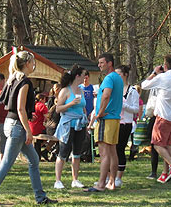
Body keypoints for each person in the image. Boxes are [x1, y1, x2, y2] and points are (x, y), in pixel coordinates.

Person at [0, 50, 56, 207]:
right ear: (27, 63)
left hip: (11, 123)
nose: (34, 65)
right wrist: (28, 129)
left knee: (34, 160)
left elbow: (12, 105)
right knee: (6, 163)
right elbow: (20, 108)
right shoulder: (25, 81)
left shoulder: (12, 79)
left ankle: (40, 197)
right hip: (17, 127)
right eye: (33, 62)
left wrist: (28, 116)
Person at [140, 55, 171, 183]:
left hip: (163, 116)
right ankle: (165, 173)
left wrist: (154, 73)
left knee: (156, 144)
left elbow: (144, 85)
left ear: (165, 66)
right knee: (167, 144)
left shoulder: (161, 77)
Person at [86, 53, 124, 191]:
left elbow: (106, 95)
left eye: (102, 63)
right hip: (115, 119)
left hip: (106, 119)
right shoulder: (118, 78)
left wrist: (100, 112)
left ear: (110, 63)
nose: (99, 65)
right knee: (113, 151)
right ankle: (112, 182)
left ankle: (101, 184)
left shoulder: (109, 78)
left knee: (104, 153)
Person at [53, 65, 88, 190]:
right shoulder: (65, 91)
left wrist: (86, 118)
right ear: (77, 76)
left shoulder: (81, 90)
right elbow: (58, 109)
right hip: (67, 125)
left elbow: (83, 107)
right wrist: (71, 103)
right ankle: (58, 180)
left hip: (80, 125)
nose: (85, 77)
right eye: (84, 75)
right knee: (63, 153)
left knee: (77, 153)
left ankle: (75, 179)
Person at [114, 65, 139, 187]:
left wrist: (124, 106)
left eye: (119, 75)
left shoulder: (132, 91)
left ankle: (119, 177)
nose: (116, 77)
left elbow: (136, 109)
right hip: (114, 122)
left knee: (120, 149)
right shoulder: (114, 89)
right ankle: (110, 176)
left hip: (126, 124)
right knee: (112, 150)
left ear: (125, 75)